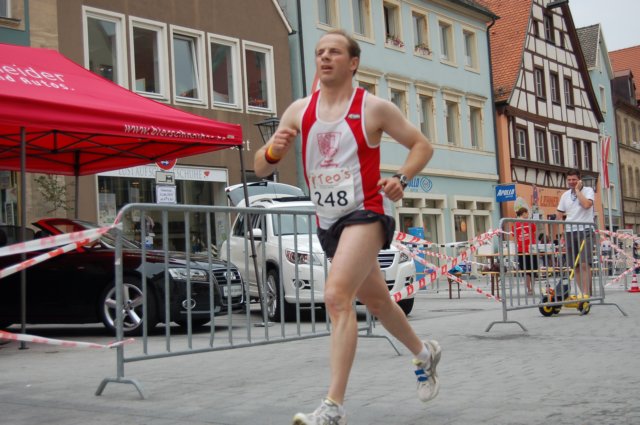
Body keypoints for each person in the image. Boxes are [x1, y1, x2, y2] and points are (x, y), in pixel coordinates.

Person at [254, 29, 438, 425]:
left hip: (366, 211)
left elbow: (422, 145)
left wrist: (401, 178)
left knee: (337, 297)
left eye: (334, 52)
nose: (324, 57)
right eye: (320, 52)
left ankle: (333, 407)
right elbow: (261, 168)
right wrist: (273, 150)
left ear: (353, 62)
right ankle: (425, 354)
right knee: (378, 302)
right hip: (328, 221)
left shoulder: (373, 108)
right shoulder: (299, 110)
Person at [557, 169, 595, 296]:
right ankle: (582, 293)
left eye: (574, 179)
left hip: (585, 230)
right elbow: (559, 213)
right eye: (569, 180)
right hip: (569, 231)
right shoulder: (565, 195)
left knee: (584, 263)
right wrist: (561, 233)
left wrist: (578, 191)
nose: (571, 182)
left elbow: (586, 205)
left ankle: (587, 293)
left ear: (579, 179)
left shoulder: (588, 190)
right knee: (575, 265)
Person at [513, 207, 537, 295]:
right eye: (527, 213)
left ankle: (529, 289)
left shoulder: (515, 224)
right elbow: (534, 231)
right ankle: (532, 289)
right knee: (533, 270)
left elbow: (514, 235)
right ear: (523, 213)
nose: (528, 215)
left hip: (522, 249)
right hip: (530, 249)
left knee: (526, 271)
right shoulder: (530, 222)